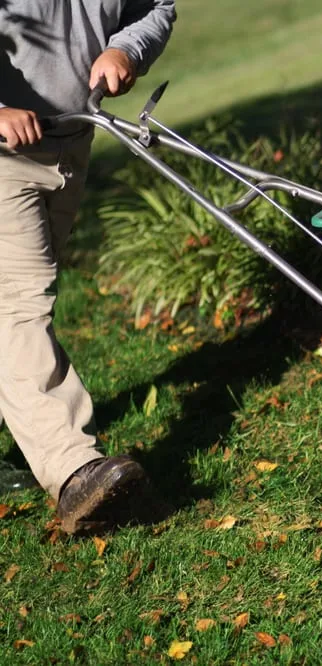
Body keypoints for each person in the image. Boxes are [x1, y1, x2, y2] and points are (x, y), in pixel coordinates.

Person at [0, 1, 176, 535]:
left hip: (71, 140)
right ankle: (74, 468)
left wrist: (127, 48)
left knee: (20, 307)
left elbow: (157, 6)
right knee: (21, 305)